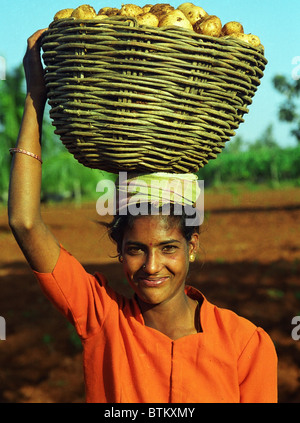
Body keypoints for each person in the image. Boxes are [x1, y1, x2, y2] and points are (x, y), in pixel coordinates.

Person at [8, 30, 278, 403]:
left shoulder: (245, 344)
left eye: (168, 247)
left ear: (192, 245)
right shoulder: (102, 319)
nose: (152, 266)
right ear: (118, 248)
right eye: (136, 249)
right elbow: (24, 222)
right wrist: (36, 94)